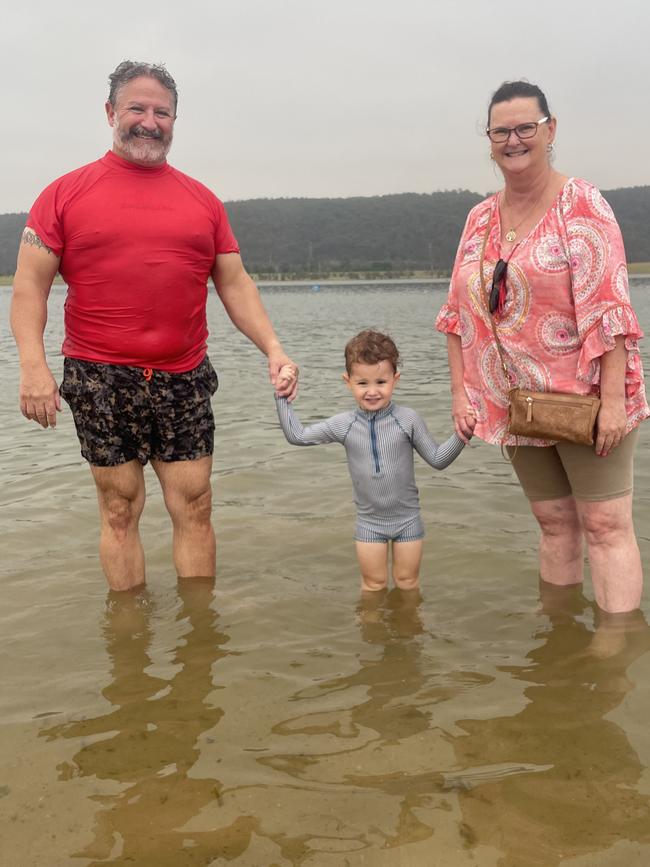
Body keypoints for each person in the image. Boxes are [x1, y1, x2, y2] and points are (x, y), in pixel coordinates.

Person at [10, 60, 298, 592]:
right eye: (137, 108)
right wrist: (33, 367)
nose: (149, 121)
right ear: (110, 113)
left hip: (183, 373)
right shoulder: (62, 194)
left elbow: (234, 284)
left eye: (161, 112)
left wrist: (273, 348)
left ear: (174, 120)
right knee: (119, 508)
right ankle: (130, 641)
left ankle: (198, 643)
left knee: (196, 504)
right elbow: (30, 287)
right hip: (99, 375)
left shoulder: (202, 201)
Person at [436, 80, 649, 614]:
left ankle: (615, 650)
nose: (514, 140)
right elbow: (457, 313)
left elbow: (610, 308)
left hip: (588, 398)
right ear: (489, 139)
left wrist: (616, 405)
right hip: (519, 405)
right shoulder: (479, 218)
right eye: (500, 131)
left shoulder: (581, 203)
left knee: (604, 524)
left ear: (550, 130)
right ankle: (559, 638)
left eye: (525, 127)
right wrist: (461, 393)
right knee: (554, 523)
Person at [274, 330, 473, 591]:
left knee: (408, 583)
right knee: (373, 585)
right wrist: (281, 396)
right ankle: (372, 632)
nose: (372, 391)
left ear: (395, 380)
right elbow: (297, 435)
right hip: (370, 524)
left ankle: (409, 631)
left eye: (381, 382)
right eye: (362, 383)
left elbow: (437, 459)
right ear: (348, 382)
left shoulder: (408, 420)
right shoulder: (344, 425)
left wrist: (463, 434)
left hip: (407, 520)